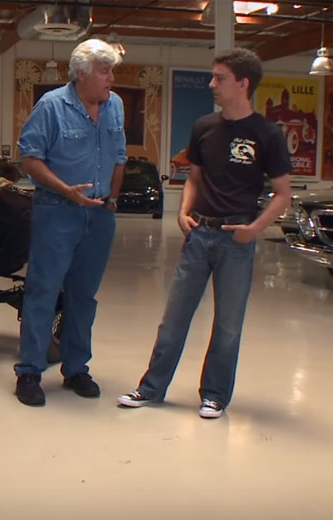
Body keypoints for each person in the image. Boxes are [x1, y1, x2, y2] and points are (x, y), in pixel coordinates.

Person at [117, 48, 291, 419]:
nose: (212, 84)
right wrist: (182, 211)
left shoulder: (267, 134)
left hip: (236, 240)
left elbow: (283, 194)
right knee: (174, 318)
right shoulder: (204, 127)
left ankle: (214, 395)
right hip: (198, 235)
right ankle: (151, 388)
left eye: (219, 78)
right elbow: (194, 177)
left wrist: (255, 229)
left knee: (228, 325)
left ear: (243, 83)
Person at [14, 39, 127, 406]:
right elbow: (30, 158)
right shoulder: (51, 106)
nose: (111, 79)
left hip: (99, 216)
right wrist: (67, 191)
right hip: (57, 212)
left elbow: (120, 156)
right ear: (82, 74)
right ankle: (29, 372)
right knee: (43, 292)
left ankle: (76, 368)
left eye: (111, 71)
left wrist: (111, 200)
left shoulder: (115, 106)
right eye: (105, 72)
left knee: (83, 295)